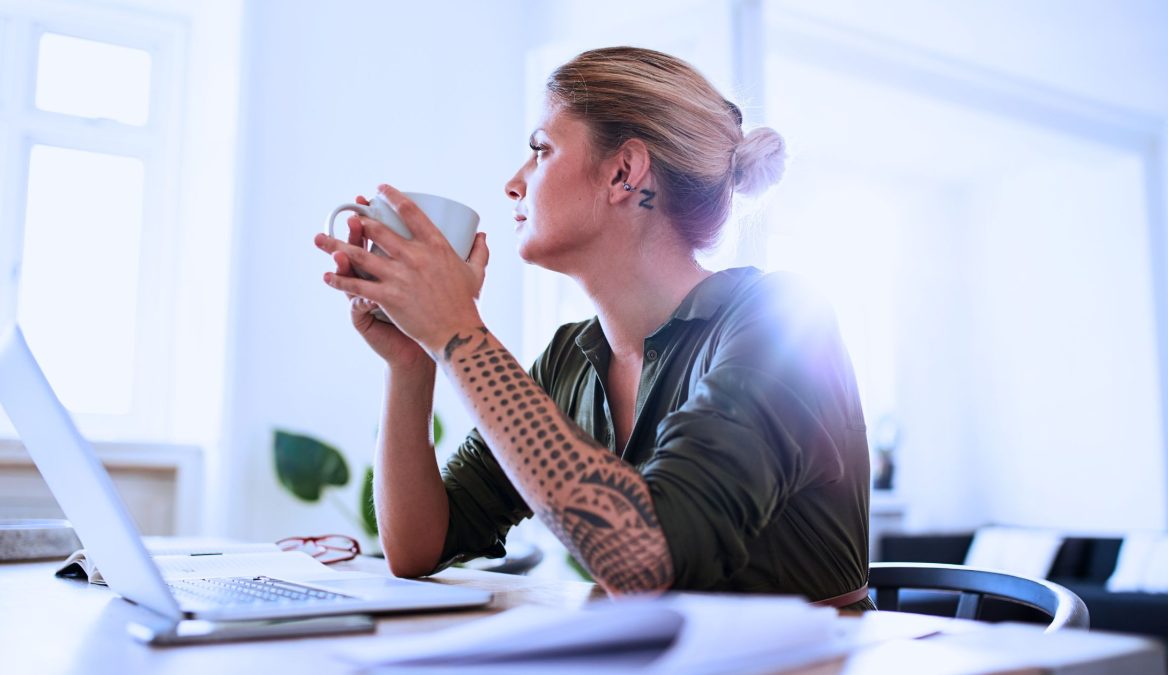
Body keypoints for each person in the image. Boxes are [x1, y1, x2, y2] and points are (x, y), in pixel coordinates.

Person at [313, 46, 873, 609]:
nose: (514, 183)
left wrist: (457, 332)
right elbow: (417, 548)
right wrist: (412, 359)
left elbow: (645, 555)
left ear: (624, 173)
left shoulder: (783, 321)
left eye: (541, 151)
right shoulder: (569, 359)